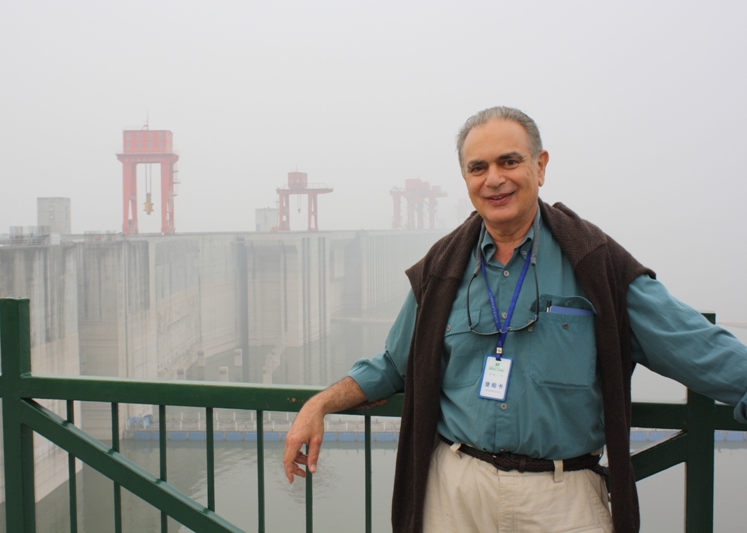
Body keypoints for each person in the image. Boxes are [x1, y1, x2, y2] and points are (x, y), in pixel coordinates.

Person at [282, 106, 747, 532]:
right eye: (477, 167)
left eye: (509, 162)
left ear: (540, 167)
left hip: (561, 499)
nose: (494, 180)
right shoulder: (443, 268)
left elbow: (694, 345)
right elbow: (394, 364)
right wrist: (320, 403)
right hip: (454, 492)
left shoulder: (595, 263)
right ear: (465, 178)